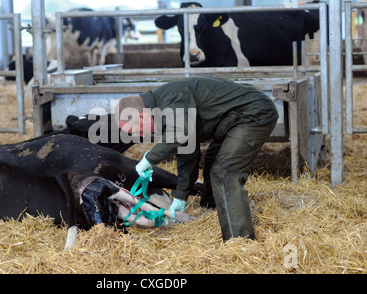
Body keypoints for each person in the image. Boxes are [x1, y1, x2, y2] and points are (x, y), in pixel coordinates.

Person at [115, 77, 278, 241]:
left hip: (253, 114)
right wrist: (180, 196)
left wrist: (149, 158)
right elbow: (187, 155)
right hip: (231, 123)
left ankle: (239, 239)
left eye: (138, 131)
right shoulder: (165, 113)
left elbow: (180, 133)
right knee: (212, 161)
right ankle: (211, 209)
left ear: (142, 116)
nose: (141, 136)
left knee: (225, 172)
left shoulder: (170, 97)